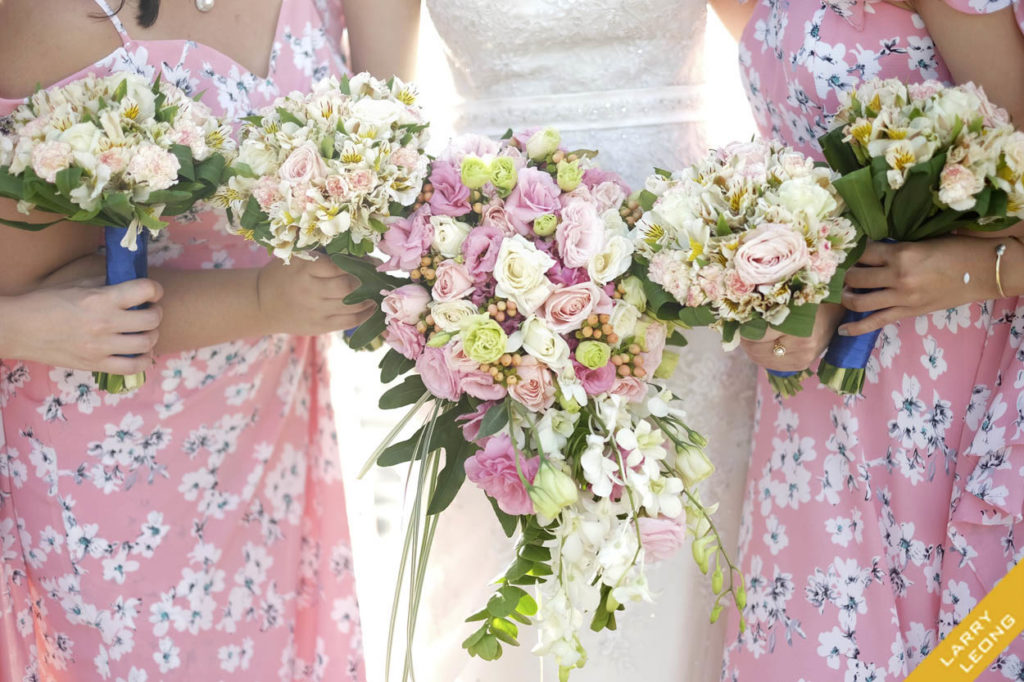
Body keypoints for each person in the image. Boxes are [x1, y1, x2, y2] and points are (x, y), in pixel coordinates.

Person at [340, 2, 758, 679]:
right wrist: (460, 273)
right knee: (513, 566)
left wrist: (775, 225)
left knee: (682, 550)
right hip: (485, 284)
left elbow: (787, 48)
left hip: (680, 274)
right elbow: (383, 124)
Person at [0, 1, 388, 678]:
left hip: (273, 428)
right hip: (115, 468)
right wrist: (265, 299)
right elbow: (40, 292)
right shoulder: (57, 18)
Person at [713, 2, 1024, 679]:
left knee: (948, 653)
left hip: (946, 394)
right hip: (815, 415)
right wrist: (792, 296)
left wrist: (974, 269)